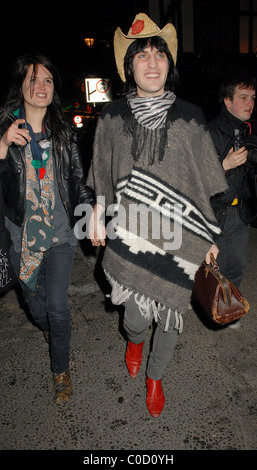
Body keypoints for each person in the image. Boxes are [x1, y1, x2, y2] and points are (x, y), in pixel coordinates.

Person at [87, 13, 227, 418]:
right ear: (129, 67)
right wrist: (97, 210)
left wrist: (209, 232)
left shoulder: (191, 116)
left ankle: (155, 376)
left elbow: (206, 181)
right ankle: (133, 342)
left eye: (159, 54)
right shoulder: (112, 117)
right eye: (142, 55)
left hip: (182, 237)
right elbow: (102, 171)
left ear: (169, 62)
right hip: (131, 235)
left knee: (169, 318)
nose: (152, 62)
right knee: (134, 319)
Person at [0, 54, 95, 404]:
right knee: (35, 305)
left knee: (57, 306)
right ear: (21, 85)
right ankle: (50, 331)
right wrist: (3, 144)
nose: (40, 87)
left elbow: (77, 181)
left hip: (59, 234)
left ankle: (61, 369)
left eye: (48, 81)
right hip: (21, 234)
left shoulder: (64, 130)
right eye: (33, 79)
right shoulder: (5, 125)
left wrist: (89, 216)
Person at [207, 75, 257, 291]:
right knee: (212, 267)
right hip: (215, 212)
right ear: (228, 101)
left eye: (253, 98)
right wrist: (224, 165)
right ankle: (204, 299)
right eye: (243, 97)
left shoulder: (250, 130)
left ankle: (229, 308)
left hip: (241, 212)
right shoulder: (210, 132)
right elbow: (195, 180)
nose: (250, 103)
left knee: (236, 266)